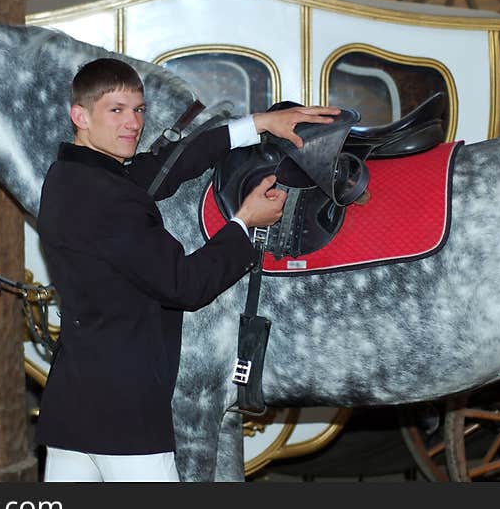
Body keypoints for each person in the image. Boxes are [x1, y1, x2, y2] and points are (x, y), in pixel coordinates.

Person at [36, 57, 339, 482]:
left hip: (71, 411)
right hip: (128, 419)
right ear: (79, 115)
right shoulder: (112, 201)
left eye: (139, 110)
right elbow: (186, 285)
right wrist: (244, 223)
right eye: (116, 110)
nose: (133, 123)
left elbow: (167, 167)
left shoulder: (66, 176)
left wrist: (260, 123)